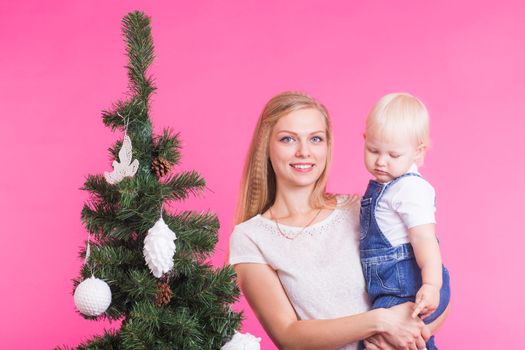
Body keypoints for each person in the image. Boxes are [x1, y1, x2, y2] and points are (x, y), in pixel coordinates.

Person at [229, 91, 448, 350]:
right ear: (266, 145)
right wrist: (380, 322)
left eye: (316, 139)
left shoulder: (362, 210)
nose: (304, 152)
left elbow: (434, 286)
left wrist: (403, 337)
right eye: (288, 139)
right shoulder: (251, 237)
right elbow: (288, 336)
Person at [359, 93, 451, 349]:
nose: (380, 161)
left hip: (409, 290)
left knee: (375, 340)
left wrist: (432, 285)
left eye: (393, 155)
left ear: (417, 152)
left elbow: (425, 238)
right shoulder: (387, 187)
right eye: (373, 150)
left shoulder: (410, 189)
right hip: (392, 291)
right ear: (364, 139)